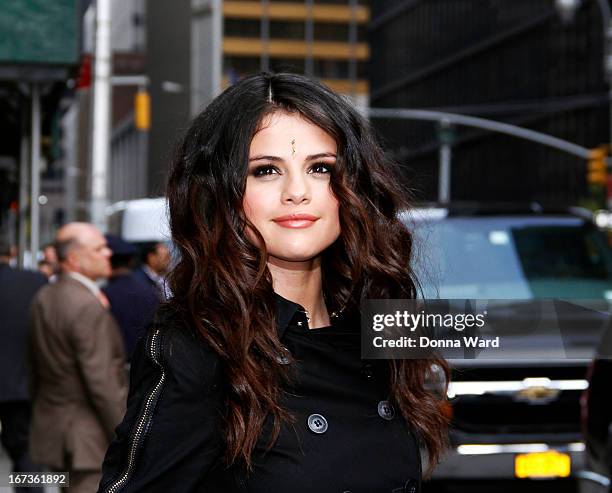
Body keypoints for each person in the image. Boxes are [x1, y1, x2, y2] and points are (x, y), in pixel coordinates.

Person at [99, 72, 449, 492]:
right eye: (265, 171)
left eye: (321, 168)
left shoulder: (383, 323)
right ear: (221, 194)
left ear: (355, 187)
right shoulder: (198, 346)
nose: (297, 192)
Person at [28, 223, 128, 493]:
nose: (108, 252)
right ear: (74, 260)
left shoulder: (45, 296)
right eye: (98, 248)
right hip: (87, 439)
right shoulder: (85, 305)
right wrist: (128, 438)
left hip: (57, 432)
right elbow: (102, 384)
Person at [0, 239, 46, 492]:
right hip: (20, 382)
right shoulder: (33, 281)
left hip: (15, 380)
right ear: (13, 252)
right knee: (25, 452)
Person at [103, 235, 159, 361]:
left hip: (116, 364)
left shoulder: (104, 294)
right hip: (146, 365)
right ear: (131, 261)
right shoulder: (149, 290)